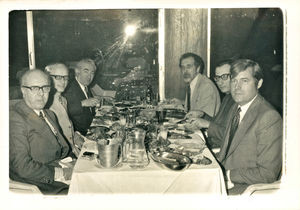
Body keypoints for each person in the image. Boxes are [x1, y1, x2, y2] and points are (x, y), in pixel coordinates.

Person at [215, 59, 282, 195]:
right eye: (234, 80)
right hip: (223, 180)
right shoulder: (236, 107)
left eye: (244, 81)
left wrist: (227, 175)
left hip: (243, 189)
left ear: (259, 83)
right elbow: (227, 151)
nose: (237, 87)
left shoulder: (269, 117)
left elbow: (267, 174)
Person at [9, 69, 73, 195]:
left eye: (45, 88)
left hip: (59, 166)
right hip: (39, 183)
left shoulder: (49, 114)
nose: (41, 94)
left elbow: (61, 149)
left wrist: (72, 163)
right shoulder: (15, 118)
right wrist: (61, 173)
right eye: (34, 88)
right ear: (23, 90)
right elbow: (22, 166)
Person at [186, 60, 235, 149]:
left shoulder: (238, 101)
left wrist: (207, 124)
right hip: (213, 143)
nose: (220, 82)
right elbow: (217, 123)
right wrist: (202, 114)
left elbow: (231, 136)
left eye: (224, 77)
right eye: (217, 78)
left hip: (220, 150)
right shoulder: (228, 97)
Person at [45, 63, 84, 157]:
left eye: (66, 78)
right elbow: (51, 137)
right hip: (60, 154)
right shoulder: (45, 103)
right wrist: (72, 148)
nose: (63, 81)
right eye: (58, 77)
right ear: (47, 78)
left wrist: (76, 136)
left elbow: (65, 126)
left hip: (71, 147)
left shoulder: (63, 100)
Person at [176, 53, 221, 118]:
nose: (185, 71)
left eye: (189, 67)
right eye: (183, 67)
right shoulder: (193, 83)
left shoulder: (206, 87)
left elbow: (203, 118)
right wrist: (180, 104)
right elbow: (192, 109)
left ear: (198, 68)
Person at [63, 58, 100, 135]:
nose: (89, 76)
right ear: (77, 72)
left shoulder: (85, 86)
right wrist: (83, 103)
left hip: (90, 127)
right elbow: (65, 111)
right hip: (80, 133)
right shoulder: (69, 88)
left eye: (92, 73)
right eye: (86, 71)